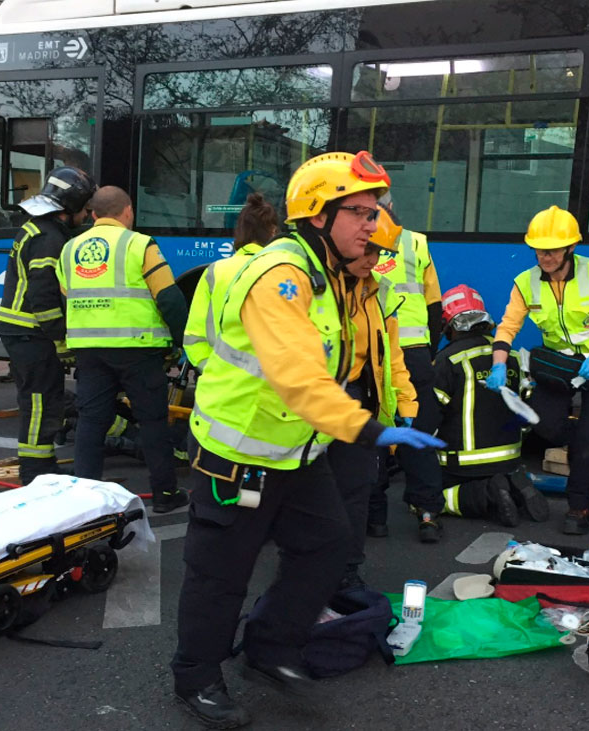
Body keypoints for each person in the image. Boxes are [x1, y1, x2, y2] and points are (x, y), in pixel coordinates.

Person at [170, 150, 444, 729]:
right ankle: (196, 678)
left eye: (374, 213)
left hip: (297, 451)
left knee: (328, 546)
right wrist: (368, 428)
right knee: (220, 575)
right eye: (361, 213)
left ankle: (270, 648)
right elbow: (298, 377)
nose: (372, 226)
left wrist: (397, 402)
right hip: (240, 454)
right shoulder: (282, 276)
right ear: (319, 216)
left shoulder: (335, 276)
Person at [484, 206, 589, 535]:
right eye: (539, 250)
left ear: (570, 248)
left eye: (551, 250)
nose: (544, 256)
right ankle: (584, 438)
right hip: (558, 365)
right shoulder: (525, 282)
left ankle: (579, 508)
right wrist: (498, 364)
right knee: (545, 426)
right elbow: (507, 327)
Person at [58, 185, 189, 512]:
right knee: (153, 422)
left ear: (93, 214)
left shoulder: (69, 249)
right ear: (127, 211)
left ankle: (84, 500)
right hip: (138, 349)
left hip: (89, 350)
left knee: (91, 422)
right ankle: (165, 494)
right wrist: (181, 342)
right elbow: (169, 298)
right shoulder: (140, 245)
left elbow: (66, 297)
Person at [331, 204, 422, 589]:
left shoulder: (378, 291)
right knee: (316, 497)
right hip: (317, 404)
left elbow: (391, 355)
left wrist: (406, 402)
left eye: (379, 253)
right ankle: (314, 574)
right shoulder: (317, 287)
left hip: (357, 400)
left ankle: (346, 573)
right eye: (367, 250)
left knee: (355, 491)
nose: (373, 260)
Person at [0, 166, 96, 486]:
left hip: (23, 332)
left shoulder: (38, 228)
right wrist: (61, 342)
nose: (88, 215)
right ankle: (35, 471)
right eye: (85, 208)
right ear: (71, 205)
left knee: (44, 398)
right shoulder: (49, 238)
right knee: (40, 402)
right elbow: (43, 297)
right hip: (31, 333)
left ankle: (43, 465)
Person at [432, 284, 549, 526]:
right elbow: (528, 415)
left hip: (461, 466)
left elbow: (431, 417)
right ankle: (514, 485)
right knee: (501, 474)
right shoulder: (511, 357)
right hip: (510, 459)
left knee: (425, 499)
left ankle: (488, 493)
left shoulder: (447, 360)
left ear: (448, 324)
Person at [366, 197, 446, 541]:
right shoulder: (416, 243)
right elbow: (434, 305)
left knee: (372, 430)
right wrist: (428, 353)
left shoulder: (354, 240)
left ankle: (375, 517)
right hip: (413, 352)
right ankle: (427, 513)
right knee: (418, 432)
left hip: (373, 351)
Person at [183, 192, 277, 372]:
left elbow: (194, 336)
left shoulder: (215, 271)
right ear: (273, 231)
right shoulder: (281, 270)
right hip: (267, 382)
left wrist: (211, 371)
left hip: (219, 380)